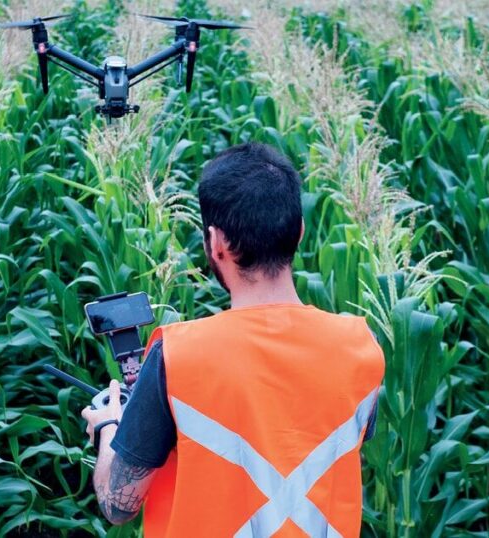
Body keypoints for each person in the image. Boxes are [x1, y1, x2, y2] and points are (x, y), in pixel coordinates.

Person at [80, 142, 385, 537]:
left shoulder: (179, 356)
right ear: (300, 232)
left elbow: (117, 503)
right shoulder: (360, 349)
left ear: (216, 241)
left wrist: (110, 427)